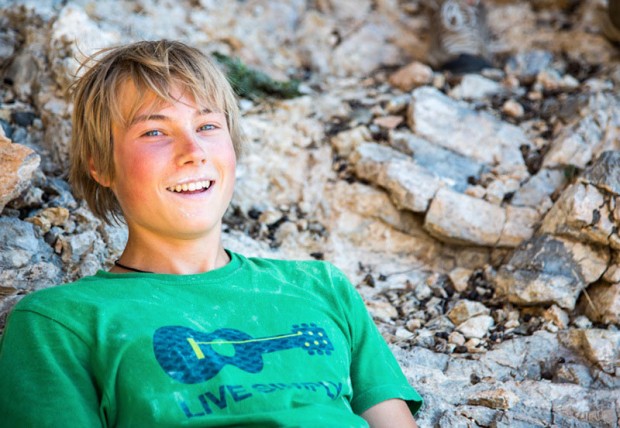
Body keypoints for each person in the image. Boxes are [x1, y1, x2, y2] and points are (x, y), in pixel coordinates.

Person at [0, 40, 423, 427]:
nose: (193, 152)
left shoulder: (323, 288)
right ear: (101, 165)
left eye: (207, 126)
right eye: (154, 132)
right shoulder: (58, 324)